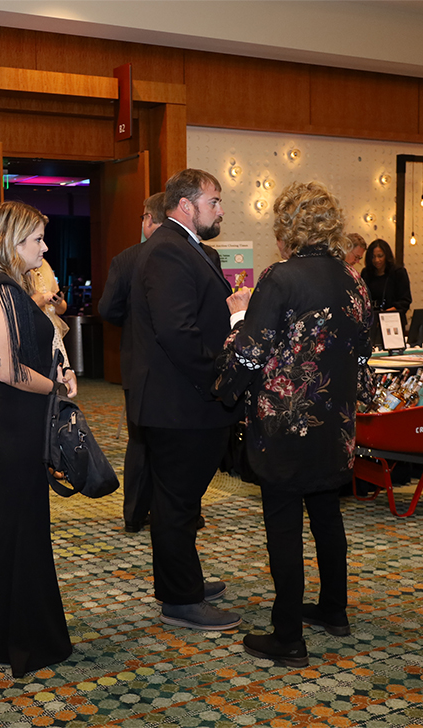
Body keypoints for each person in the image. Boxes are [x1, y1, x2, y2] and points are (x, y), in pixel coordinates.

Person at [214, 182, 374, 666]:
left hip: (286, 425)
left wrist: (236, 321)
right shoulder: (353, 279)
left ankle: (287, 636)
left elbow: (250, 353)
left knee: (284, 527)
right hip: (336, 425)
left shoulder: (279, 277)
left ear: (288, 227)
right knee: (327, 516)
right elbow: (362, 353)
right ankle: (333, 610)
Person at [125, 169, 247, 631]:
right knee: (176, 506)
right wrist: (219, 380)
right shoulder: (169, 251)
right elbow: (177, 334)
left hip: (183, 402)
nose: (220, 210)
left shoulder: (187, 247)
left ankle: (183, 582)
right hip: (178, 405)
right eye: (213, 202)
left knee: (180, 503)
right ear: (185, 205)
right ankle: (180, 600)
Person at [0, 200, 77, 677]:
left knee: (20, 533)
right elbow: (7, 370)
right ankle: (24, 643)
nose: (45, 247)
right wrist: (56, 387)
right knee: (20, 533)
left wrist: (59, 374)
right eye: (37, 239)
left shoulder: (7, 287)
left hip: (17, 422)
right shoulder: (3, 290)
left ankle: (15, 637)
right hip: (14, 424)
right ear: (13, 241)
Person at [99, 192, 165, 533]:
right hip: (182, 366)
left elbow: (107, 309)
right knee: (180, 441)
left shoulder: (126, 259)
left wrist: (133, 322)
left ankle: (135, 514)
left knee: (140, 439)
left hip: (137, 363)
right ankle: (181, 512)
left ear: (149, 219)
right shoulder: (200, 254)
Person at [360, 238, 411, 338]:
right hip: (372, 323)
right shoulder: (366, 273)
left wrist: (387, 313)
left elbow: (405, 300)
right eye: (373, 257)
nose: (376, 260)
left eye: (380, 256)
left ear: (387, 256)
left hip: (393, 323)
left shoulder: (398, 272)